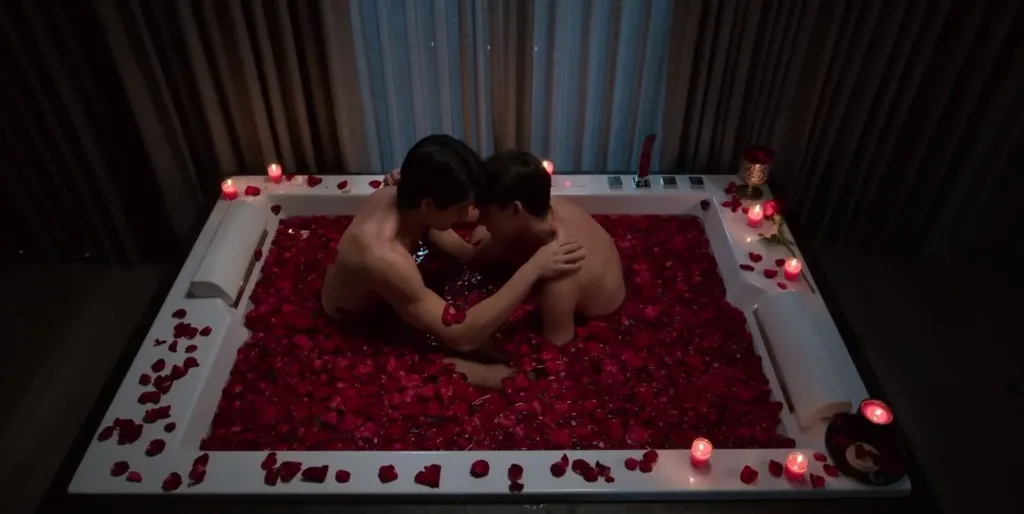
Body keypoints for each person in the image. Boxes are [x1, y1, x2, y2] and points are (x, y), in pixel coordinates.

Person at [322, 135, 586, 387]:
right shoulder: (384, 257)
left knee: (473, 259)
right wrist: (533, 269)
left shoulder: (402, 194)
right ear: (429, 205)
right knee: (450, 366)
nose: (469, 214)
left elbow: (465, 241)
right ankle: (496, 376)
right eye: (461, 208)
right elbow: (462, 337)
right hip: (362, 320)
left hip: (399, 270)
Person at [471, 150, 625, 345]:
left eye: (485, 213)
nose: (480, 219)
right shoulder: (544, 205)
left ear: (516, 209)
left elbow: (557, 347)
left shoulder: (561, 275)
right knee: (482, 240)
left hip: (600, 311)